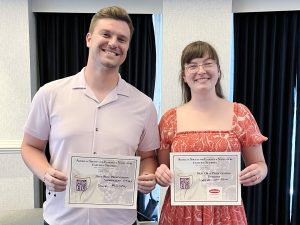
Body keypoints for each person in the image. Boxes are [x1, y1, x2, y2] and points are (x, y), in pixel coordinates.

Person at [21, 6, 159, 225]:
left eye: (122, 39)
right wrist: (45, 172)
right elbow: (30, 146)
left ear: (128, 47)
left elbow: (149, 157)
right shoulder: (50, 94)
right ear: (89, 39)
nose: (114, 43)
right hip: (61, 219)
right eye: (106, 34)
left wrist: (147, 176)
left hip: (120, 220)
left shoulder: (144, 105)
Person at [155, 40, 268, 225]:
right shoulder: (169, 119)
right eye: (192, 65)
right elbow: (162, 169)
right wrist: (161, 174)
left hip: (227, 213)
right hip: (180, 213)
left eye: (208, 63)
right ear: (184, 75)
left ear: (218, 71)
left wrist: (259, 172)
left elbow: (260, 164)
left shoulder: (240, 114)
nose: (201, 71)